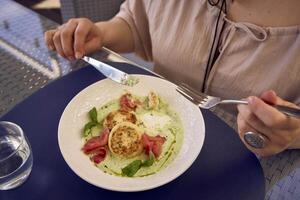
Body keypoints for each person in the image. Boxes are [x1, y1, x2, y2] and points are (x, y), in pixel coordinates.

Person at [44, 0, 300, 156]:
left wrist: (291, 134)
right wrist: (102, 32)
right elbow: (136, 23)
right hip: (153, 130)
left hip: (246, 163)